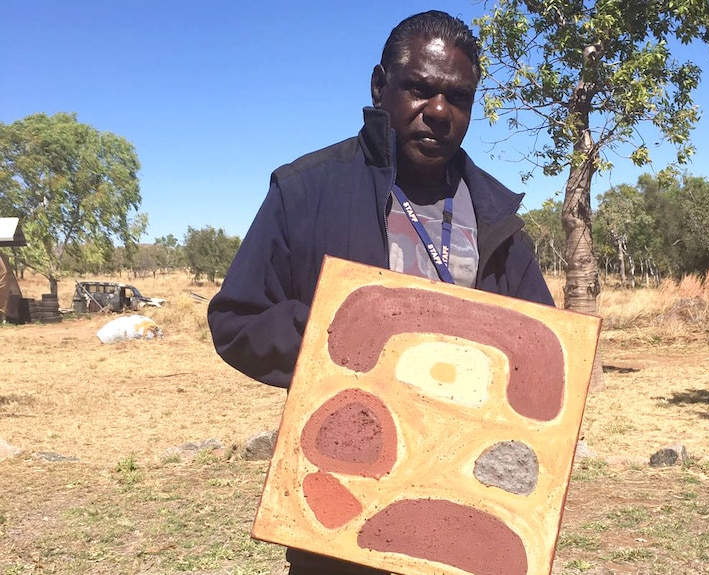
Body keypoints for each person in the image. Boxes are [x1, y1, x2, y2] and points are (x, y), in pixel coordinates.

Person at [207, 10, 554, 575]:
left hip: (459, 509)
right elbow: (237, 319)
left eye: (458, 98)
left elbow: (540, 354)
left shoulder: (495, 215)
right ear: (379, 86)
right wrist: (337, 342)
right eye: (419, 89)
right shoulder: (305, 190)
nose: (438, 112)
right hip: (343, 511)